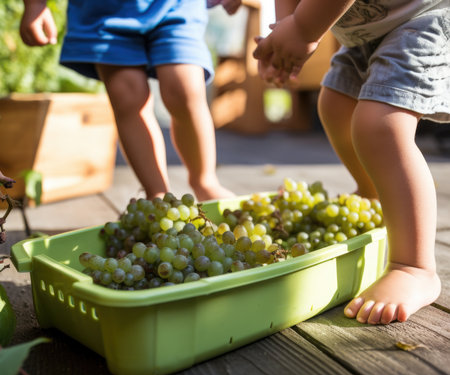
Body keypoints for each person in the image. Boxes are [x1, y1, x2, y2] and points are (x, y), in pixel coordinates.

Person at [254, 0, 449, 324]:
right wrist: (284, 27)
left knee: (379, 125)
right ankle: (373, 193)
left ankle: (414, 266)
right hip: (365, 32)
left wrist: (302, 29)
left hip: (422, 15)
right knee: (335, 103)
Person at [19, 0, 241, 202]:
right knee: (126, 96)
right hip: (104, 12)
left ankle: (205, 181)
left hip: (176, 6)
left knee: (184, 88)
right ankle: (157, 193)